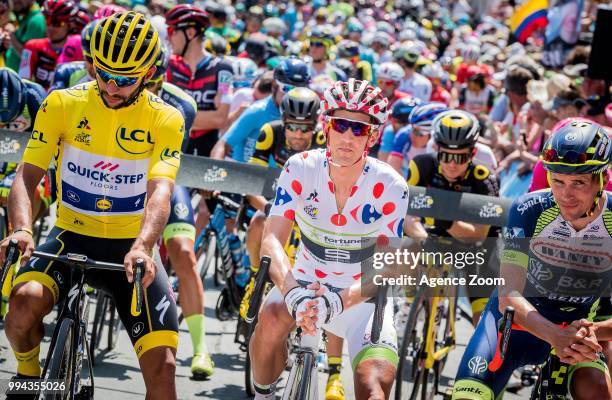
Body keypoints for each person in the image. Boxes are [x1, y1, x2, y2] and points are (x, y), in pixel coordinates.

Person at [1, 12, 183, 399]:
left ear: (149, 73)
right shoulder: (62, 104)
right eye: (105, 76)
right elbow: (27, 175)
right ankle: (31, 376)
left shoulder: (165, 118)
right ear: (91, 66)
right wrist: (21, 227)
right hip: (70, 236)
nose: (113, 87)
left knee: (165, 373)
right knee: (20, 308)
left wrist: (144, 246)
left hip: (129, 247)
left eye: (127, 80)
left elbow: (161, 191)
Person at [249, 78, 408, 400]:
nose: (347, 136)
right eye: (341, 125)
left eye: (359, 129)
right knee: (269, 318)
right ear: (326, 126)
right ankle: (264, 393)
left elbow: (387, 265)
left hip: (361, 295)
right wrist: (293, 293)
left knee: (374, 388)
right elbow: (272, 241)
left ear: (373, 136)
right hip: (304, 281)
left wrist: (338, 300)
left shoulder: (391, 185)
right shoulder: (300, 167)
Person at [452, 120, 612, 400]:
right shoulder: (529, 209)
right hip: (516, 320)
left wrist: (596, 330)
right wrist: (554, 335)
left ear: (602, 178)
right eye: (557, 180)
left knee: (597, 391)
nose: (565, 194)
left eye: (579, 183)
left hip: (578, 328)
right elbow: (508, 294)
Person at [241, 87, 345, 400]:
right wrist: (273, 209)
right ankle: (254, 277)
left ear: (315, 127)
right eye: (292, 126)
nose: (298, 134)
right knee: (261, 223)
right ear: (283, 122)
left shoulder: (322, 146)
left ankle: (335, 372)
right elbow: (250, 185)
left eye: (305, 128)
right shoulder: (269, 133)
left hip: (310, 215)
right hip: (272, 205)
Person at [144, 44, 215, 379]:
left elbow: (168, 163)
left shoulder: (183, 103)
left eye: (156, 82)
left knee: (184, 254)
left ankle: (200, 349)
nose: (150, 89)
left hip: (166, 177)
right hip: (120, 177)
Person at [403, 110, 500, 325]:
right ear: (436, 149)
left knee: (484, 317)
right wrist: (422, 238)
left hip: (477, 246)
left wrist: (444, 221)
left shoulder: (484, 180)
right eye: (446, 155)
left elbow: (479, 235)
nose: (452, 164)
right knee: (406, 245)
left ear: (473, 153)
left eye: (461, 157)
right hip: (434, 235)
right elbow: (407, 217)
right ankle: (409, 304)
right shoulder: (421, 166)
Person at [165, 4, 234, 158]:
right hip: (172, 151)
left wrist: (175, 117)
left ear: (190, 32)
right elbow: (159, 118)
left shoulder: (223, 69)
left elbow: (220, 119)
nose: (169, 38)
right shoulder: (168, 66)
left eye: (172, 31)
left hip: (206, 154)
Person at [212, 57, 311, 163]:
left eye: (299, 89)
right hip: (248, 177)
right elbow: (221, 145)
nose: (292, 95)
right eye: (286, 88)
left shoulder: (308, 116)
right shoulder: (258, 111)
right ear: (274, 85)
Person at [17, 0, 83, 90]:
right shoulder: (32, 46)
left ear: (69, 25)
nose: (50, 27)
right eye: (47, 20)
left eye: (57, 23)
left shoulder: (79, 48)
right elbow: (23, 82)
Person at [4, 0, 46, 72]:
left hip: (20, 80)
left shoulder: (36, 20)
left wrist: (11, 35)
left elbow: (28, 57)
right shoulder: (25, 15)